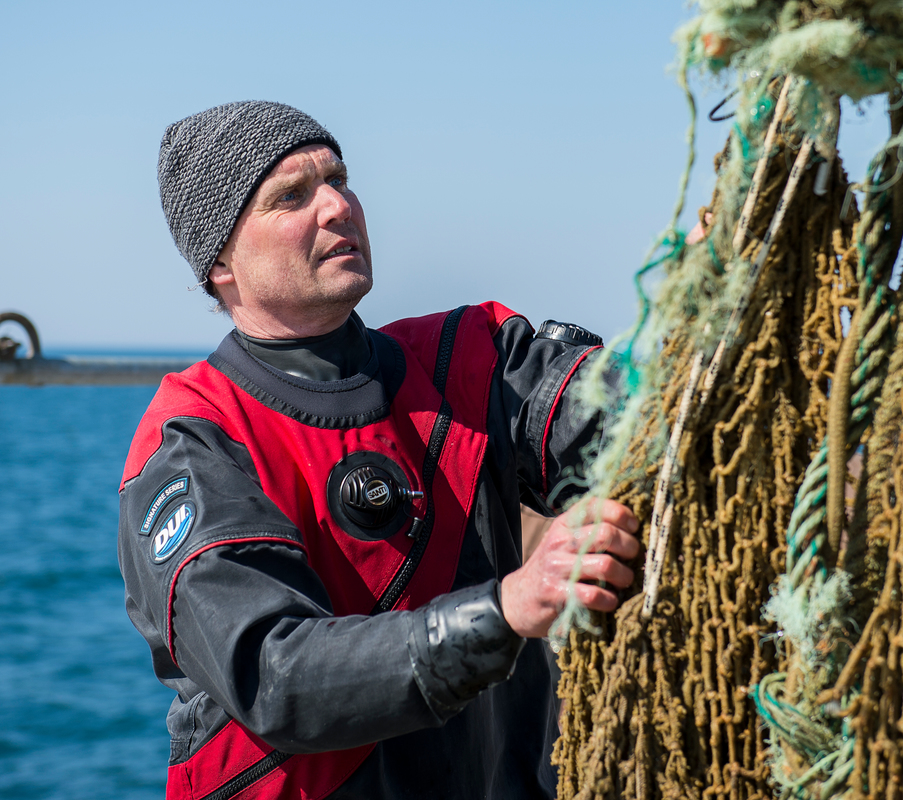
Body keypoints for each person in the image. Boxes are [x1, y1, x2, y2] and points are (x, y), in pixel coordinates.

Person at [117, 101, 639, 800]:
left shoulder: (475, 356)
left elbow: (639, 424)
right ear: (220, 264)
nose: (337, 205)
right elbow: (276, 677)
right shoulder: (194, 441)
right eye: (291, 196)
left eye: (338, 177)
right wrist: (508, 606)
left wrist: (716, 294)